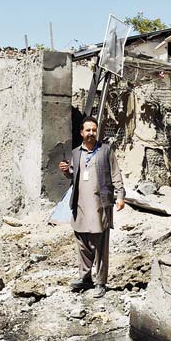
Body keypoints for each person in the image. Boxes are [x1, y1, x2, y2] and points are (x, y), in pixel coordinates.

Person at [59, 116, 125, 298]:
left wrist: (120, 196)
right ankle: (85, 278)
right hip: (80, 206)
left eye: (94, 130)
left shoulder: (105, 151)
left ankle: (101, 282)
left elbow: (116, 175)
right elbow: (73, 175)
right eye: (87, 130)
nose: (91, 133)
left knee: (100, 245)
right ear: (81, 133)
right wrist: (66, 172)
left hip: (99, 206)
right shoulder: (76, 153)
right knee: (82, 244)